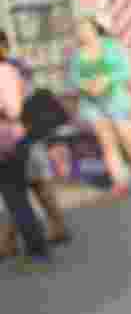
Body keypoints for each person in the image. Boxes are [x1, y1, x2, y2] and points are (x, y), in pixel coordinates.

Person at [69, 16, 131, 196]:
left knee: (129, 141)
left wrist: (107, 80)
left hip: (115, 100)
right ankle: (119, 182)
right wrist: (85, 85)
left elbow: (126, 70)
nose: (83, 33)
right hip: (92, 104)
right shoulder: (77, 55)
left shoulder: (111, 46)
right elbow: (73, 79)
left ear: (95, 28)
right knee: (107, 144)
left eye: (86, 28)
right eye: (80, 30)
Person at [0, 32, 70, 259]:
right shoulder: (14, 68)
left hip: (21, 134)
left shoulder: (13, 68)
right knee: (23, 188)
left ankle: (16, 241)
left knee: (26, 187)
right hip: (22, 134)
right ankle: (15, 240)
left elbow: (19, 105)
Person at [0, 61, 52, 272]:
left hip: (9, 143)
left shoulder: (4, 72)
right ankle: (33, 247)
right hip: (9, 142)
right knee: (15, 199)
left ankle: (37, 250)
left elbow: (13, 110)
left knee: (16, 198)